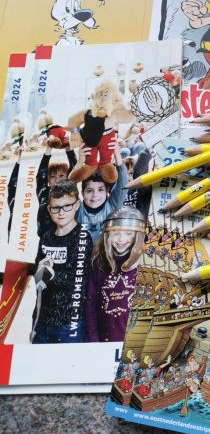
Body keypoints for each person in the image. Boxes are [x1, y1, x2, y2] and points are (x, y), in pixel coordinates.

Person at [30, 180, 92, 343]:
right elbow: (37, 272)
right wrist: (39, 269)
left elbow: (78, 279)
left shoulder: (83, 237)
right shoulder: (46, 237)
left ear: (77, 205)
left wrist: (50, 274)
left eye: (67, 206)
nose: (61, 212)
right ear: (49, 209)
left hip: (69, 321)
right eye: (56, 208)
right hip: (42, 318)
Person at [84, 206, 146, 343]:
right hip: (104, 340)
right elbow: (90, 302)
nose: (121, 239)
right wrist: (93, 339)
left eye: (128, 233)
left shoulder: (147, 263)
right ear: (107, 234)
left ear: (138, 235)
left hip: (134, 342)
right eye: (116, 233)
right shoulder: (98, 262)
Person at [76, 140, 127, 241]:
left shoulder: (112, 205)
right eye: (89, 191)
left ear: (107, 190)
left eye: (100, 190)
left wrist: (117, 155)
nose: (95, 195)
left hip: (106, 250)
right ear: (82, 193)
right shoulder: (77, 209)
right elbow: (69, 186)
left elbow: (122, 184)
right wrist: (79, 162)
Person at [36, 142, 77, 237]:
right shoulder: (43, 192)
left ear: (68, 177)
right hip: (46, 238)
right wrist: (48, 149)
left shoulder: (71, 192)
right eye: (52, 176)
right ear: (48, 180)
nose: (57, 180)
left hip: (68, 237)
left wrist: (68, 147)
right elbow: (41, 175)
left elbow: (75, 168)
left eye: (61, 175)